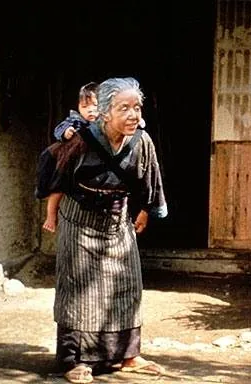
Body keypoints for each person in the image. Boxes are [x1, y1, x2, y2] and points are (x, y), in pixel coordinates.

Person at [35, 77, 168, 384]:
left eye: (137, 108)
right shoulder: (79, 140)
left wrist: (145, 210)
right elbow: (55, 175)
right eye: (124, 108)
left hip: (118, 223)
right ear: (105, 113)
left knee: (127, 287)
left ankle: (128, 355)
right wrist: (51, 213)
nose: (133, 115)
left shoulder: (141, 141)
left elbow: (150, 179)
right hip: (80, 224)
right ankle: (74, 360)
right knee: (79, 293)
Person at [42, 82, 99, 232]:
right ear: (79, 107)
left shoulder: (108, 120)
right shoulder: (75, 120)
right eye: (85, 106)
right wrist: (66, 132)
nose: (90, 110)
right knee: (58, 185)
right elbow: (58, 130)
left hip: (93, 165)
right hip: (71, 161)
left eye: (95, 105)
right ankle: (51, 215)